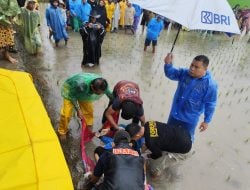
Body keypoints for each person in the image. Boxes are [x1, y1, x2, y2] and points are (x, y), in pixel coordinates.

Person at [164, 53, 218, 142]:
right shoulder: (184, 73)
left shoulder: (210, 85)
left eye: (196, 67)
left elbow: (211, 104)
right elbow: (170, 73)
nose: (192, 69)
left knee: (186, 141)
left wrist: (206, 121)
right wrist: (168, 64)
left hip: (189, 119)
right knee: (168, 135)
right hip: (175, 114)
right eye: (191, 65)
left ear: (205, 69)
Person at [126, 121, 192, 177]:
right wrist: (142, 150)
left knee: (156, 168)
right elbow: (153, 138)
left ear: (137, 136)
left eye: (132, 139)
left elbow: (158, 154)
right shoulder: (149, 123)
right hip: (184, 134)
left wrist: (148, 156)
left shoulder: (150, 142)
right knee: (157, 145)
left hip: (184, 148)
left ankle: (155, 176)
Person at [58, 73, 112, 139]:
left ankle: (88, 126)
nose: (99, 94)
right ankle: (62, 131)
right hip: (71, 92)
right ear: (92, 87)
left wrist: (115, 104)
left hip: (85, 94)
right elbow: (72, 96)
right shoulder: (81, 85)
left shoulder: (103, 85)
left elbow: (110, 95)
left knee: (89, 111)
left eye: (101, 93)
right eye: (98, 93)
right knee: (66, 114)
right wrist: (78, 110)